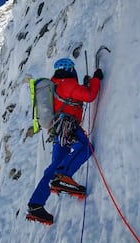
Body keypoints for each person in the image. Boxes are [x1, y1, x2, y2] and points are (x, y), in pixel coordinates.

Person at [27, 58, 103, 224]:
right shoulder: (67, 83)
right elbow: (89, 96)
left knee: (55, 166)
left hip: (57, 130)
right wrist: (96, 79)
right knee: (85, 148)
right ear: (70, 69)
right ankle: (63, 176)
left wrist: (84, 85)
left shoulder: (55, 86)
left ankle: (36, 204)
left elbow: (74, 98)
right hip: (68, 126)